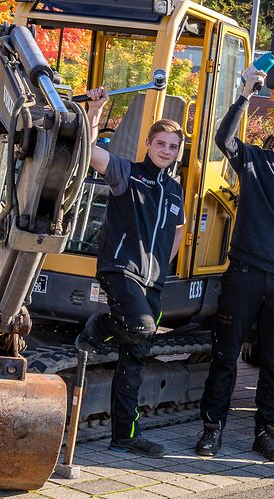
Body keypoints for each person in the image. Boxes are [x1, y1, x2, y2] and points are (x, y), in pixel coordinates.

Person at [194, 67, 274, 462]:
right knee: (226, 355)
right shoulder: (253, 161)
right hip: (244, 274)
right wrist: (245, 95)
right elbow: (223, 138)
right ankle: (211, 432)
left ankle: (266, 435)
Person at [75, 86, 186, 458]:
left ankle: (124, 435)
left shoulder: (174, 190)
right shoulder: (127, 172)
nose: (166, 151)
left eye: (173, 147)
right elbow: (87, 152)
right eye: (161, 144)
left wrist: (164, 266)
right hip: (121, 269)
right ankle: (100, 328)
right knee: (140, 327)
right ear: (149, 144)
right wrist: (96, 110)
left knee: (136, 356)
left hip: (152, 280)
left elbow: (179, 231)